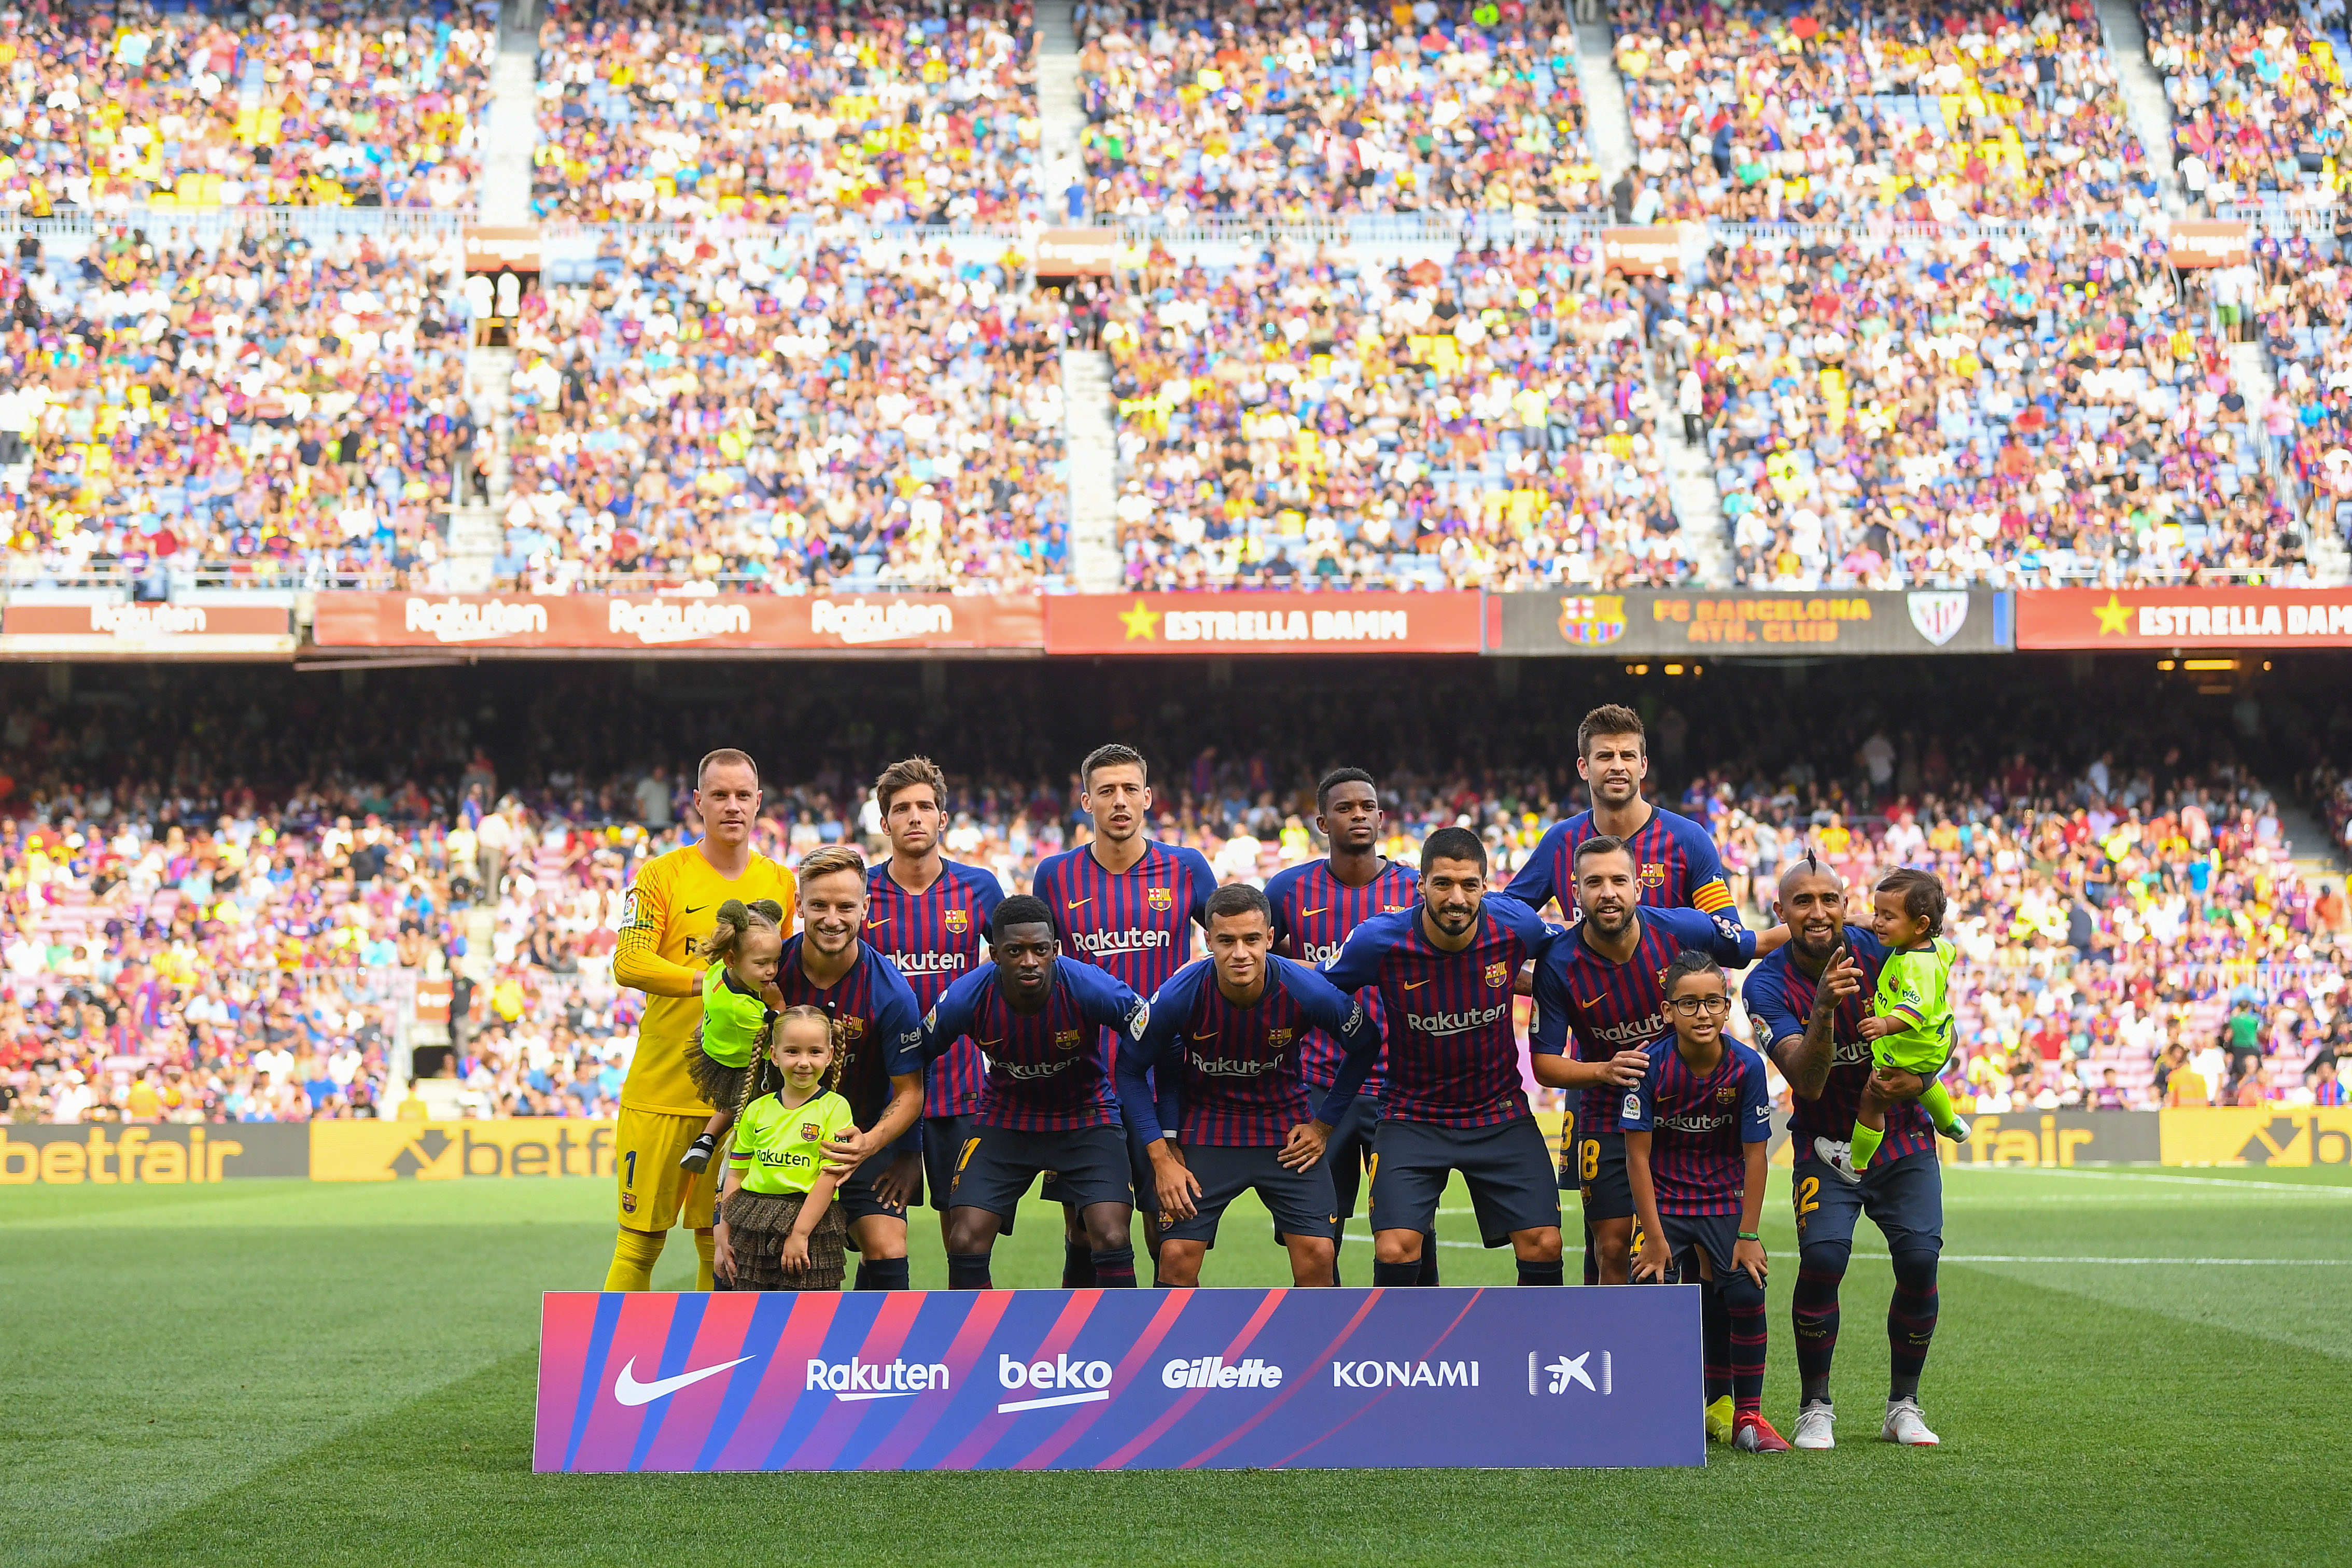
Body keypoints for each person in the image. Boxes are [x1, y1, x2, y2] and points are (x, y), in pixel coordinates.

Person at [1530, 833, 1779, 1445]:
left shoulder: (1683, 930)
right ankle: (1617, 1396)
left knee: (1713, 1260)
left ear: (1638, 886)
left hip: (1685, 1113)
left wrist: (1810, 930)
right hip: (1606, 1112)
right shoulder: (1560, 961)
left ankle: (1718, 1400)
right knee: (1614, 1249)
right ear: (1574, 892)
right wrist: (1604, 1070)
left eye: (1619, 880)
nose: (1607, 893)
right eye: (1594, 882)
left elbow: (1744, 947)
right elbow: (1544, 1064)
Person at [1743, 855, 1947, 1450]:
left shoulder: (1885, 947)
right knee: (1824, 1260)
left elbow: (1941, 1023)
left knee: (1920, 1262)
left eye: (1829, 899)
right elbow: (1806, 1084)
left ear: (1845, 904)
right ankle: (1815, 1407)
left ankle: (1903, 1406)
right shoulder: (1764, 986)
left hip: (1902, 1135)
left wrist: (1926, 1072)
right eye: (1802, 901)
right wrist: (1825, 1009)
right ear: (1780, 912)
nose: (1818, 912)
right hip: (1825, 1143)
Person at [1318, 827, 1564, 1286]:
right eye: (1443, 884)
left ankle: (1536, 1334)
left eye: (1469, 885)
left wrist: (1532, 983)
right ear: (1421, 886)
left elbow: (1571, 955)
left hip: (1499, 1113)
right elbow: (1318, 988)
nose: (1457, 898)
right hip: (1412, 1116)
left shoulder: (1517, 925)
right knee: (1395, 1248)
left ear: (1485, 887)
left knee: (1545, 1243)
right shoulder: (1379, 940)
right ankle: (1399, 1337)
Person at [606, 748, 797, 1292]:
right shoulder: (661, 875)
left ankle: (713, 1351)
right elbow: (629, 962)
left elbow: (787, 977)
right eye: (719, 795)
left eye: (742, 795)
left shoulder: (781, 883)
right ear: (697, 802)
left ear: (758, 802)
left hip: (739, 1101)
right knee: (639, 1244)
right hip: (661, 1090)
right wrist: (717, 982)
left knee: (721, 1244)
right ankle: (616, 1349)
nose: (732, 805)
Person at [1119, 883, 1376, 1287]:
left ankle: (1315, 1334)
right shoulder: (1178, 994)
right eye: (1227, 941)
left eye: (1251, 940)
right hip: (1206, 1129)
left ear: (1270, 939)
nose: (1240, 953)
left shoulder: (1306, 989)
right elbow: (1129, 1070)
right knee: (1176, 1258)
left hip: (1285, 1132)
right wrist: (1162, 1157)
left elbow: (1366, 1043)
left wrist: (1323, 1125)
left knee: (1319, 1255)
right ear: (1208, 941)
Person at [1031, 744, 1214, 1286]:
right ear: (1086, 801)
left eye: (1130, 789)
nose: (1119, 801)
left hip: (1165, 1080)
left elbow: (1233, 944)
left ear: (1148, 798)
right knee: (1087, 1230)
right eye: (1106, 791)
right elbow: (1039, 974)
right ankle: (1084, 1338)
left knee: (1168, 1229)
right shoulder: (1054, 875)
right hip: (1083, 1082)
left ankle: (1164, 1339)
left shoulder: (1186, 867)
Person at [920, 895, 1152, 1290]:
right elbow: (914, 1058)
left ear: (1055, 950)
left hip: (1087, 1116)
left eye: (1040, 950)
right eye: (1015, 951)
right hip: (1005, 1118)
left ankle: (1114, 1331)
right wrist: (909, 1145)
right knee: (965, 1238)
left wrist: (1134, 1094)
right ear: (995, 954)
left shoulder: (1089, 986)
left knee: (1112, 1236)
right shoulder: (965, 998)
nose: (1029, 961)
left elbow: (1152, 1034)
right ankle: (976, 1332)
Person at [1264, 766, 1421, 1284]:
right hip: (1315, 1085)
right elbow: (1259, 958)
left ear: (1381, 817)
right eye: (1345, 808)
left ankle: (1413, 1331)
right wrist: (1306, 971)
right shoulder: (1288, 889)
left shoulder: (1415, 889)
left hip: (1399, 1087)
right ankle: (1325, 1331)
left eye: (1367, 807)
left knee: (1408, 1237)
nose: (1358, 816)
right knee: (1313, 1241)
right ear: (1322, 823)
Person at [1625, 951, 1786, 1453]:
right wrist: (1654, 1239)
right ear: (1668, 1010)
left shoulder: (1747, 1066)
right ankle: (1654, 1413)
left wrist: (1749, 1234)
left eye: (1713, 1002)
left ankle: (1749, 1417)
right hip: (1666, 1202)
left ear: (1727, 1007)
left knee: (1747, 1288)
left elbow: (1756, 1157)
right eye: (1689, 1003)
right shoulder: (1648, 1067)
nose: (1702, 1013)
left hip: (1723, 1200)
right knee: (1650, 1287)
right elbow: (1636, 1157)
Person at [859, 757, 1004, 1256]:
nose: (914, 817)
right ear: (885, 824)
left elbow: (1014, 970)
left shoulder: (980, 888)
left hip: (960, 1091)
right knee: (881, 1248)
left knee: (967, 1245)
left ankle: (969, 1315)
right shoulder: (860, 892)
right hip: (880, 1097)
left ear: (942, 818)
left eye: (925, 806)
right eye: (902, 809)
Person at [769, 845, 927, 1292]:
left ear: (866, 908)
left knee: (888, 1248)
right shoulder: (769, 973)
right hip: (772, 1141)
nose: (832, 919)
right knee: (742, 1250)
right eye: (819, 905)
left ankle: (875, 1339)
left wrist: (870, 1145)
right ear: (799, 905)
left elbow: (910, 1092)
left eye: (845, 906)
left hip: (855, 1143)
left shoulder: (891, 992)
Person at [1818, 869, 1970, 1183]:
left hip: (1908, 1047)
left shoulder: (1916, 965)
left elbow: (1915, 1010)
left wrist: (1884, 1025)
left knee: (1872, 1100)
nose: (1877, 923)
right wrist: (1857, 920)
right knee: (1926, 1082)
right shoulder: (1934, 947)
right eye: (1877, 913)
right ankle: (1950, 1123)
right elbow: (1886, 925)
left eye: (1888, 917)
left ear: (1920, 925)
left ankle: (1855, 1162)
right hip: (1933, 1044)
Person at [711, 1006, 856, 1292]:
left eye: (815, 1052)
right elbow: (736, 1175)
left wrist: (800, 1233)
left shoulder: (836, 1108)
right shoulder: (756, 1110)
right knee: (749, 1308)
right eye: (792, 1052)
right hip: (751, 1220)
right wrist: (722, 1234)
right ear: (774, 1055)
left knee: (808, 1311)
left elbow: (830, 1177)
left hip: (810, 1223)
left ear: (829, 1055)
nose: (804, 1062)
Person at [678, 898, 787, 1173]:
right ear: (732, 959)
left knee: (727, 1102)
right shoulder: (744, 1011)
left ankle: (706, 1140)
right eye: (761, 963)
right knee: (743, 1102)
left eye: (776, 961)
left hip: (714, 1048)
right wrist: (777, 1003)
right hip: (740, 1061)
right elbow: (779, 1036)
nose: (771, 971)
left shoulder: (717, 971)